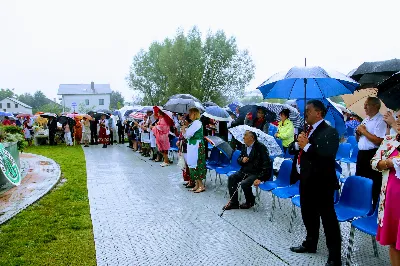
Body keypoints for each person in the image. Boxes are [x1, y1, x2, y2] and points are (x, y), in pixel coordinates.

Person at [289, 100, 342, 266]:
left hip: (322, 183)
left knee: (328, 219)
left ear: (318, 113)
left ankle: (334, 256)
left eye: (308, 110)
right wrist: (298, 144)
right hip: (305, 180)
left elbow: (326, 158)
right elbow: (293, 148)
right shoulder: (307, 130)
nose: (305, 113)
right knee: (308, 214)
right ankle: (310, 242)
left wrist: (306, 147)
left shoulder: (330, 132)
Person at [371, 111, 400, 266]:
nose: (399, 120)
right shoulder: (390, 140)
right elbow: (374, 162)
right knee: (394, 241)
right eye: (398, 117)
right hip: (391, 201)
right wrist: (387, 163)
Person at [224, 130, 272, 210]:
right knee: (232, 178)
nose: (243, 137)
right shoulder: (244, 146)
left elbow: (267, 164)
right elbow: (239, 159)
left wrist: (260, 178)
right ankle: (234, 202)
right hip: (245, 170)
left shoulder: (261, 147)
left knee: (244, 183)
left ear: (252, 138)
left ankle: (250, 201)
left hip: (256, 172)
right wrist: (242, 159)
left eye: (245, 135)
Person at [356, 97, 386, 209]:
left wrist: (364, 131)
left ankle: (372, 206)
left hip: (372, 154)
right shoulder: (365, 120)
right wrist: (358, 133)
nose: (364, 107)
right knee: (360, 178)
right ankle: (361, 204)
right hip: (361, 154)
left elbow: (379, 141)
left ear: (375, 106)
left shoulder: (380, 120)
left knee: (372, 182)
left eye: (367, 105)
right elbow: (359, 139)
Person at [182, 108, 207, 193]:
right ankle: (197, 184)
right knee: (192, 164)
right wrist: (184, 129)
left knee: (197, 164)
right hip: (192, 146)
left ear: (194, 114)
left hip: (197, 146)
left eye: (191, 113)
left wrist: (185, 130)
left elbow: (188, 134)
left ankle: (201, 185)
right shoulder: (193, 123)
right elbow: (186, 135)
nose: (189, 115)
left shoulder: (197, 123)